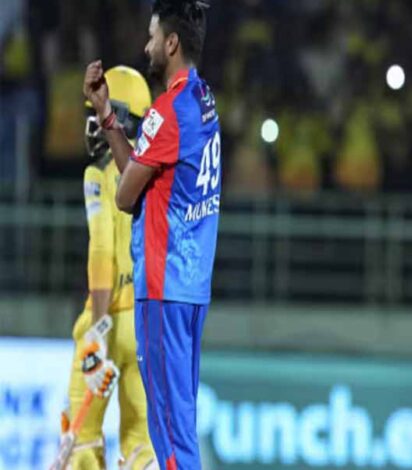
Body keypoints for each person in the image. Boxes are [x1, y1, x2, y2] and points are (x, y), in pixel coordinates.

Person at [82, 0, 219, 467]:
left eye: (152, 36)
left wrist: (110, 123)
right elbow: (140, 176)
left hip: (162, 287)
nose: (147, 46)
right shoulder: (203, 101)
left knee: (169, 433)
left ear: (171, 43)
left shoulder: (168, 111)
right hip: (191, 287)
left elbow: (124, 196)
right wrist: (107, 113)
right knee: (180, 424)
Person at [66, 65, 157, 469]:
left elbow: (102, 248)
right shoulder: (155, 178)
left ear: (118, 116)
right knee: (141, 448)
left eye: (98, 113)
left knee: (82, 445)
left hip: (108, 318)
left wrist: (98, 331)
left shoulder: (98, 173)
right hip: (145, 323)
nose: (91, 123)